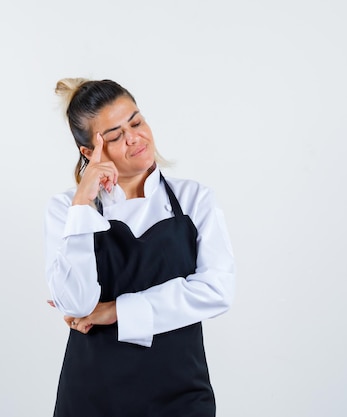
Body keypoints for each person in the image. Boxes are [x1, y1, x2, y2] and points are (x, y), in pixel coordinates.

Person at [44, 78, 236, 416]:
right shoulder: (67, 210)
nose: (134, 137)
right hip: (92, 396)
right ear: (89, 152)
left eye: (136, 121)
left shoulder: (195, 200)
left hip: (181, 395)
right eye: (115, 136)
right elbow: (76, 302)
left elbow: (217, 290)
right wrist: (82, 203)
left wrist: (116, 310)